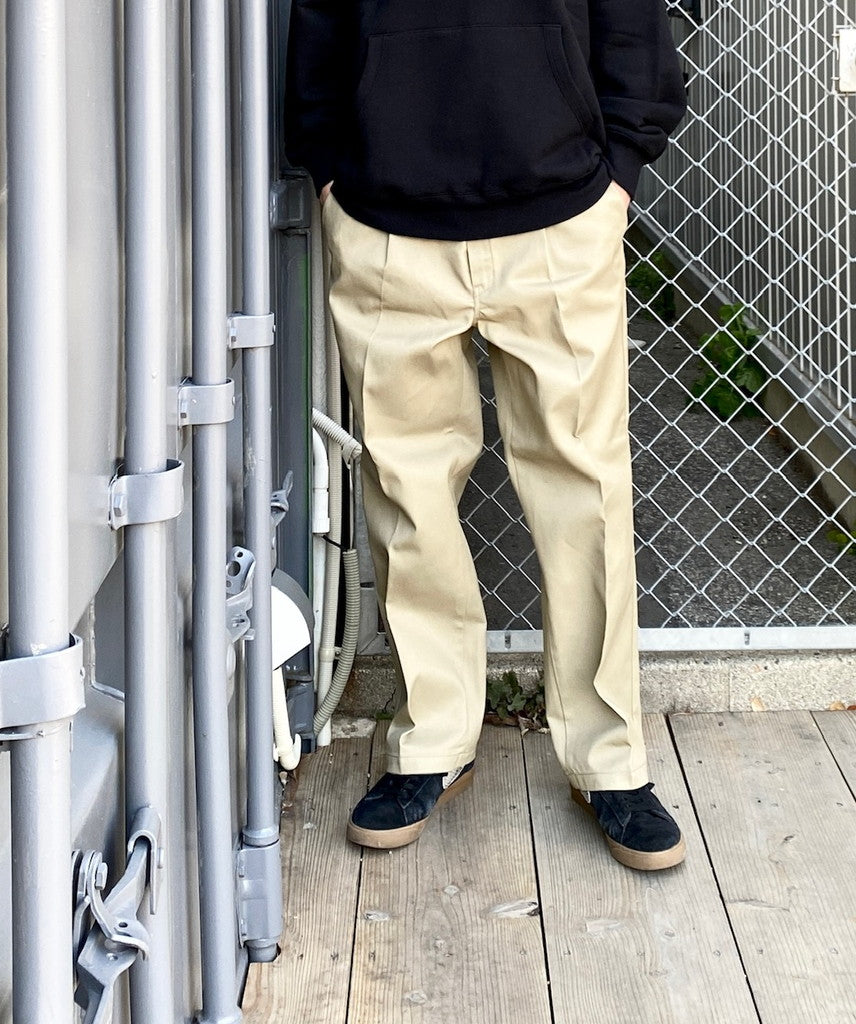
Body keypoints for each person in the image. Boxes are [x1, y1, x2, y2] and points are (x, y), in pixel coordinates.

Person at [285, 0, 688, 870]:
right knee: (408, 495)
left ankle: (608, 759)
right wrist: (329, 170)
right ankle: (433, 741)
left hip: (561, 215)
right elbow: (321, 16)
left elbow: (631, 18)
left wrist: (621, 168)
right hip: (386, 220)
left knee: (585, 490)